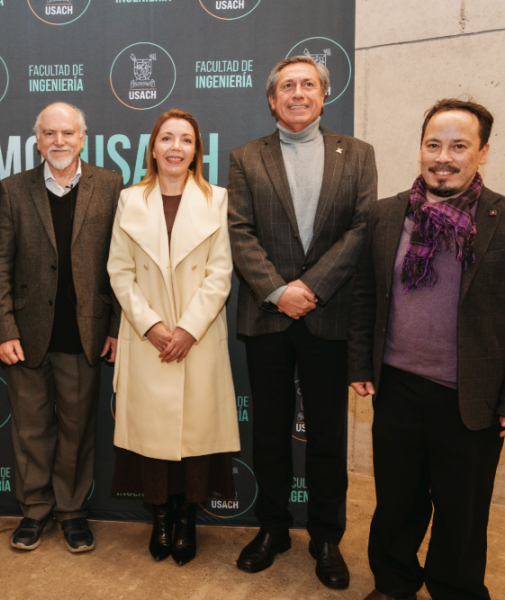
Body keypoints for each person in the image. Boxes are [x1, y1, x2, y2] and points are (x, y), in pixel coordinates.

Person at [227, 55, 377, 588]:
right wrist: (278, 291)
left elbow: (362, 228)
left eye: (307, 84)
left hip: (328, 315)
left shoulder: (357, 154)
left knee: (328, 436)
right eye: (287, 86)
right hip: (267, 316)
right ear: (272, 100)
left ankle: (326, 537)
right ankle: (272, 527)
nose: (297, 93)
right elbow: (239, 231)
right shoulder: (246, 157)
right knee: (268, 433)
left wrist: (310, 288)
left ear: (323, 94)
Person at [349, 98, 505, 600]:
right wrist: (360, 362)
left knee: (462, 514)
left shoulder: (502, 219)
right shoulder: (386, 214)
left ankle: (454, 590)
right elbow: (366, 294)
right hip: (397, 388)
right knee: (397, 502)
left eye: (459, 146)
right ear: (420, 149)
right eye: (434, 145)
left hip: (471, 398)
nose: (444, 157)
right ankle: (394, 584)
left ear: (482, 152)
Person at [0, 102, 123, 553]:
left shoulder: (110, 186)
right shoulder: (13, 189)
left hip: (86, 331)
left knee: (77, 431)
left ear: (83, 138)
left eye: (67, 133)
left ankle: (72, 512)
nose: (59, 141)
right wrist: (3, 329)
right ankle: (34, 511)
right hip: (26, 335)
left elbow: (122, 265)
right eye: (49, 133)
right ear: (37, 140)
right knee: (30, 431)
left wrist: (116, 328)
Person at [107, 109, 240, 565]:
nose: (175, 147)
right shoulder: (130, 200)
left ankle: (186, 519)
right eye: (166, 138)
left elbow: (221, 273)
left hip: (196, 340)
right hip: (148, 340)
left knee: (194, 438)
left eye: (185, 139)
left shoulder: (217, 199)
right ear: (153, 147)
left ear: (197, 150)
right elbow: (119, 271)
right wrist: (152, 326)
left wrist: (187, 329)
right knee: (153, 439)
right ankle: (160, 518)